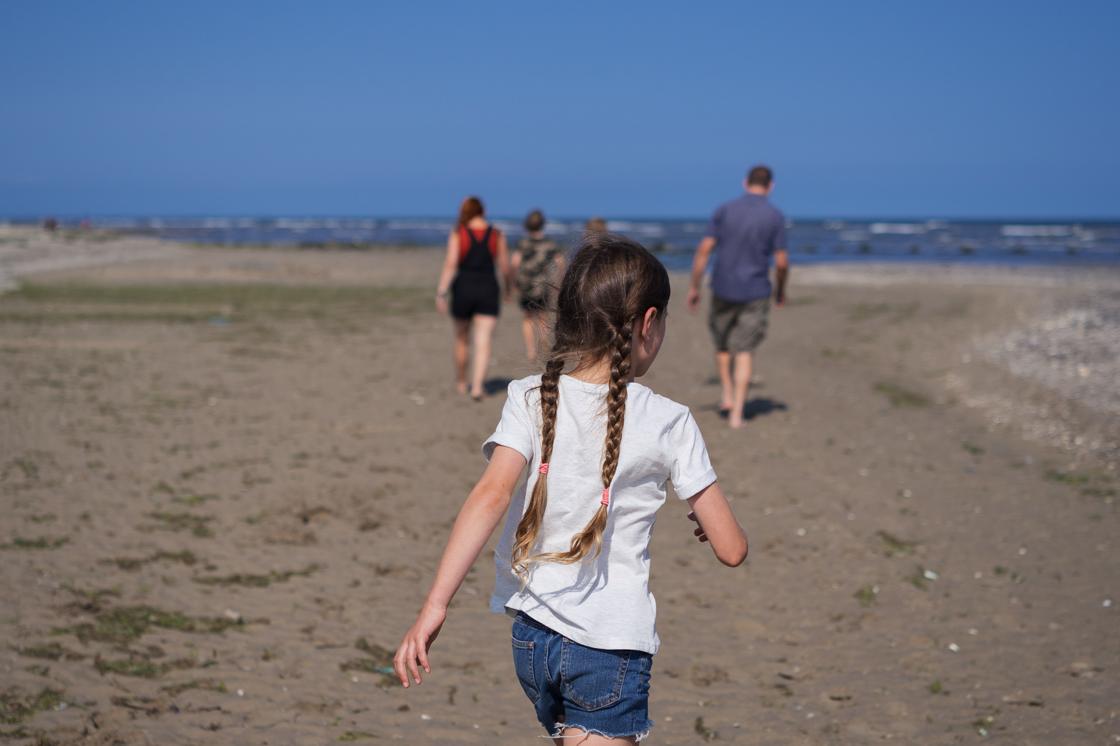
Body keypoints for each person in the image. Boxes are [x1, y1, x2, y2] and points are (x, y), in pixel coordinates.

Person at [395, 234, 748, 744]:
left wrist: (435, 605)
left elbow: (489, 497)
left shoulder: (528, 395)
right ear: (648, 323)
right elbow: (732, 550)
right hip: (610, 648)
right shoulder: (671, 421)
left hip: (531, 641)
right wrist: (712, 524)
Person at [687, 165, 790, 429]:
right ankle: (737, 414)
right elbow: (781, 262)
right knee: (744, 350)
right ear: (771, 186)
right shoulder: (775, 216)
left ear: (746, 183)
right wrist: (780, 291)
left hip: (723, 286)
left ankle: (727, 393)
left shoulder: (725, 210)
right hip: (755, 290)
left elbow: (704, 250)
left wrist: (695, 286)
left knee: (722, 344)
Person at [435, 196, 511, 400]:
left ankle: (461, 382)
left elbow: (451, 264)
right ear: (482, 211)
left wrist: (442, 292)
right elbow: (505, 266)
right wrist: (509, 288)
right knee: (483, 340)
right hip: (488, 288)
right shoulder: (496, 234)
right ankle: (477, 387)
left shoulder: (459, 233)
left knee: (461, 338)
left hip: (463, 289)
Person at [511, 209, 565, 360]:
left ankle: (530, 350)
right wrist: (559, 279)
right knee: (542, 317)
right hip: (543, 285)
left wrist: (514, 281)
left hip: (526, 285)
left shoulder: (523, 243)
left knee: (527, 318)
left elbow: (514, 263)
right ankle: (544, 345)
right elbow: (560, 262)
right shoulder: (550, 244)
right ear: (543, 225)